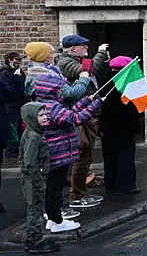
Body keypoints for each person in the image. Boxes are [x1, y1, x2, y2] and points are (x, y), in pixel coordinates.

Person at [29, 41, 103, 234]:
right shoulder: (50, 107)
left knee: (56, 184)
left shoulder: (52, 102)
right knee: (54, 186)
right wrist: (92, 105)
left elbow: (70, 105)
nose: (62, 88)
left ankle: (54, 217)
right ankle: (55, 220)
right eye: (59, 87)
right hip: (57, 150)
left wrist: (88, 100)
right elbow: (73, 117)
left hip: (61, 150)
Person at [57, 34, 108, 209]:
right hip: (79, 114)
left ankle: (80, 192)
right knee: (82, 155)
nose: (87, 48)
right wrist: (100, 53)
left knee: (85, 157)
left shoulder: (74, 59)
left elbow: (96, 73)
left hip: (87, 113)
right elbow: (87, 70)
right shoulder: (65, 62)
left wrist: (104, 61)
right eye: (83, 46)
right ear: (73, 49)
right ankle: (77, 195)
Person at [99, 56, 142, 194]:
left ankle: (110, 184)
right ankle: (125, 185)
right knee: (125, 154)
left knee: (109, 155)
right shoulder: (127, 83)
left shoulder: (103, 80)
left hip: (107, 124)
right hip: (125, 124)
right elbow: (136, 103)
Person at [20, 102, 58, 253]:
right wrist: (39, 182)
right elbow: (30, 163)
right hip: (34, 180)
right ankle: (34, 239)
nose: (44, 117)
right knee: (35, 210)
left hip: (35, 179)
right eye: (40, 115)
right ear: (31, 118)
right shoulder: (34, 137)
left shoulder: (34, 133)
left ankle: (35, 236)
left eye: (45, 114)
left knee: (36, 208)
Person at [0, 52, 26, 157]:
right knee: (13, 129)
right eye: (17, 60)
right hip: (10, 107)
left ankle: (15, 151)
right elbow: (9, 93)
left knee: (18, 129)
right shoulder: (5, 73)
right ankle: (11, 152)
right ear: (10, 60)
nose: (19, 62)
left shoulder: (17, 72)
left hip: (18, 106)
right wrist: (17, 78)